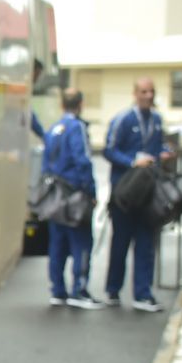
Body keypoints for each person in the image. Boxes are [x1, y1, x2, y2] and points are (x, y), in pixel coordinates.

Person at [103, 77, 171, 311]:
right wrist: (133, 161)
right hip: (125, 191)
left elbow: (160, 145)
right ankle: (113, 289)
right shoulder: (123, 119)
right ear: (135, 93)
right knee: (120, 241)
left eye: (151, 91)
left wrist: (164, 154)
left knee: (146, 242)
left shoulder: (158, 120)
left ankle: (143, 293)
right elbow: (109, 150)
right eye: (144, 91)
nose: (148, 96)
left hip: (148, 193)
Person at [43, 89, 102, 308]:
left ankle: (58, 290)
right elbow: (83, 161)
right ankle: (80, 290)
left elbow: (45, 162)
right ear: (81, 104)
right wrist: (92, 192)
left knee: (57, 244)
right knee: (81, 243)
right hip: (75, 194)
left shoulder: (54, 128)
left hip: (55, 195)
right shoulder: (77, 127)